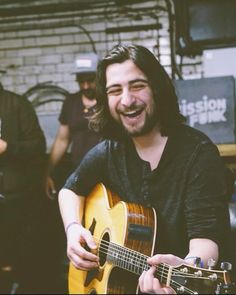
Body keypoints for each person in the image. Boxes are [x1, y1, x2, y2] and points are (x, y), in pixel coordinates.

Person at [58, 44, 231, 294]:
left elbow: (206, 241)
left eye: (137, 85)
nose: (127, 100)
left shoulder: (197, 153)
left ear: (157, 89)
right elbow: (69, 190)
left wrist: (189, 266)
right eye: (115, 90)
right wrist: (73, 229)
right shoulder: (110, 150)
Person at [0, 85, 46, 292]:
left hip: (15, 199)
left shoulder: (17, 104)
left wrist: (8, 147)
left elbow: (38, 145)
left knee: (19, 258)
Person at [45, 53, 100, 200]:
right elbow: (62, 140)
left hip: (105, 174)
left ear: (99, 76)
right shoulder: (71, 102)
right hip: (78, 174)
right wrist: (47, 172)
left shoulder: (108, 101)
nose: (86, 86)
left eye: (90, 80)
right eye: (81, 81)